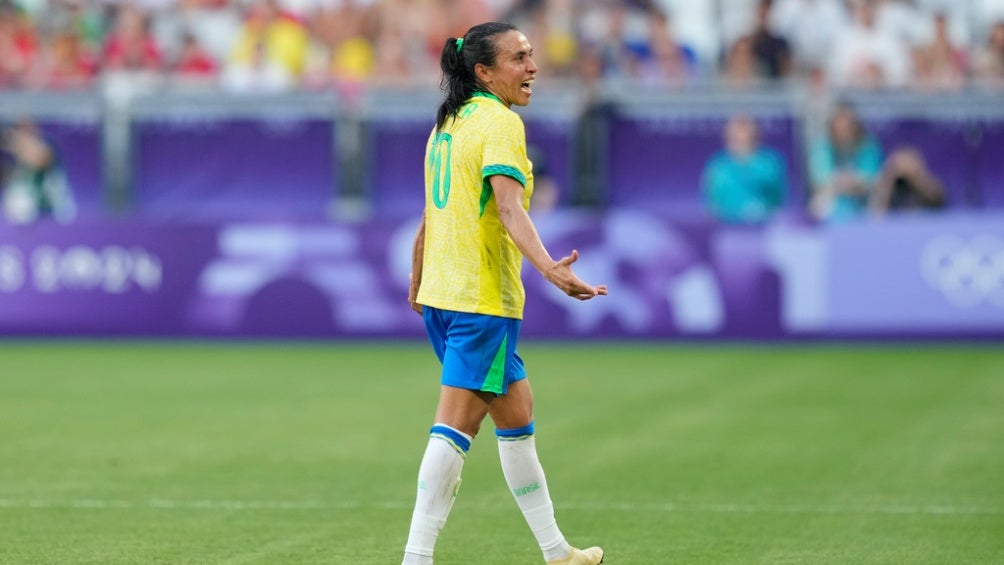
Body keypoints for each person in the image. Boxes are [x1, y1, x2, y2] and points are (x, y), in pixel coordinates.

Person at [403, 22, 607, 565]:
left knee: (517, 415)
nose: (532, 67)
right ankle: (415, 558)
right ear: (484, 72)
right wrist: (551, 270)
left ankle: (558, 552)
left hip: (444, 296)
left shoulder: (447, 123)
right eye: (519, 58)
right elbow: (510, 208)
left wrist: (417, 275)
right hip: (480, 302)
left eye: (531, 55)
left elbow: (430, 212)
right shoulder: (500, 122)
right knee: (455, 425)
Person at [701, 115, 788, 224]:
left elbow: (778, 198)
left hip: (764, 226)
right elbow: (712, 202)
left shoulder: (770, 163)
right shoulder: (718, 165)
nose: (740, 135)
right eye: (735, 132)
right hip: (728, 226)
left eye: (744, 128)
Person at [807, 102, 883, 223]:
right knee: (818, 202)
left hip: (863, 201)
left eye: (848, 124)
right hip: (832, 201)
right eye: (839, 123)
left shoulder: (868, 146)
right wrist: (851, 182)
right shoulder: (822, 147)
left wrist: (845, 182)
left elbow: (871, 180)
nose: (844, 128)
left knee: (879, 201)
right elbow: (820, 180)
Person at [0, 118, 76, 225]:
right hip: (29, 212)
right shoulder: (17, 157)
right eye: (20, 128)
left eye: (27, 128)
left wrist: (13, 142)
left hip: (55, 207)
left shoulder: (47, 145)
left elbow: (39, 159)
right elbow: (12, 176)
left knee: (21, 203)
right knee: (16, 201)